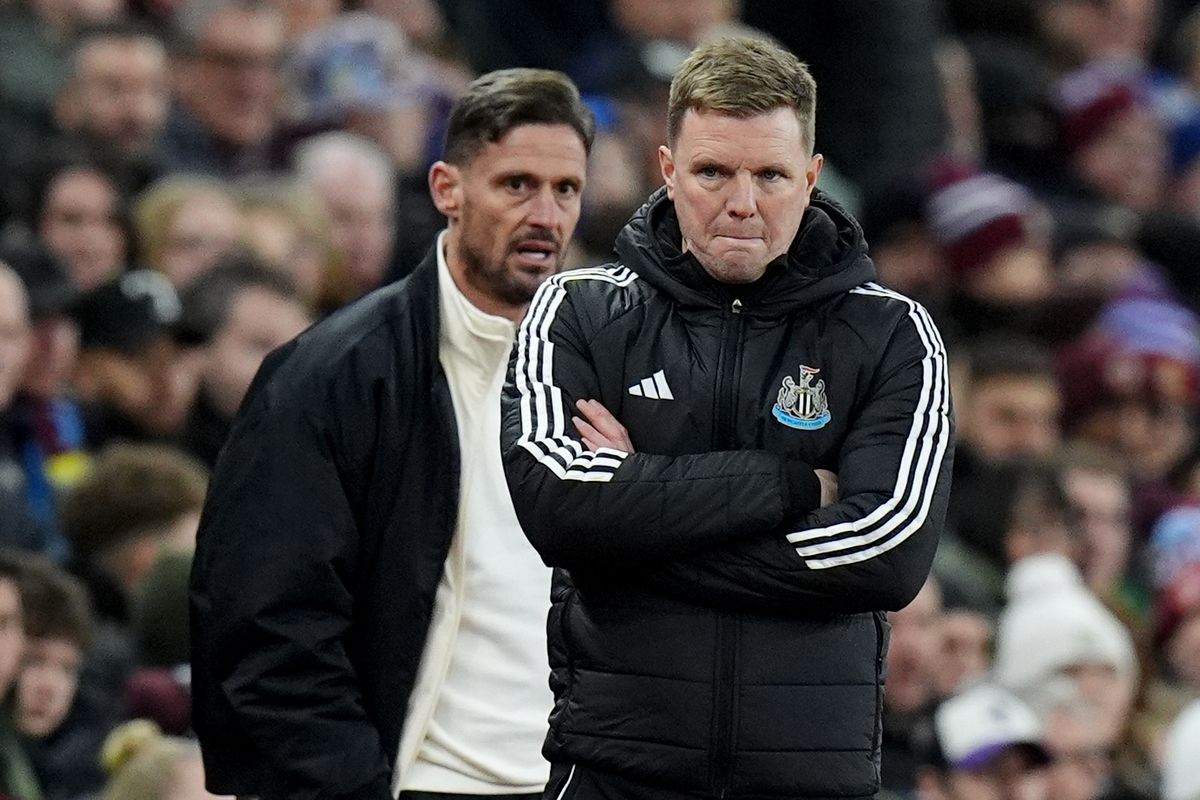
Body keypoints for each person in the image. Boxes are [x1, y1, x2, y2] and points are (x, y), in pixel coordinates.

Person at [499, 36, 954, 800]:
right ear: (668, 169)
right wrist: (793, 488)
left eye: (771, 174)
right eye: (713, 171)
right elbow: (559, 506)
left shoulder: (893, 335)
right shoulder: (576, 310)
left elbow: (888, 554)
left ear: (810, 179)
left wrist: (634, 524)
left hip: (811, 779)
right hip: (614, 772)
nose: (743, 202)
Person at [189, 68, 594, 799]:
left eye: (565, 190)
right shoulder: (329, 377)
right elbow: (266, 621)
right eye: (516, 185)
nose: (545, 215)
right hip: (414, 781)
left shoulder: (604, 374)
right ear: (447, 190)